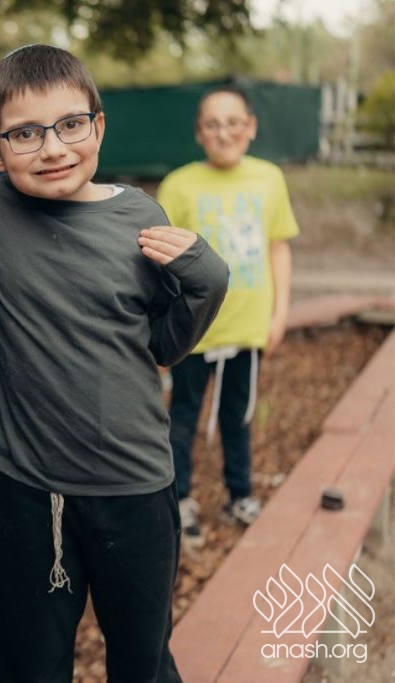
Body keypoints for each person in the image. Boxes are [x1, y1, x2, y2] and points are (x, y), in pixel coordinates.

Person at [0, 45, 229, 681]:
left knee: (143, 662)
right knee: (30, 667)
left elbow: (164, 346)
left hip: (134, 487)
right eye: (26, 134)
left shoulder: (138, 217)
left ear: (99, 126)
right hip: (26, 493)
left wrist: (208, 281)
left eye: (71, 125)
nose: (53, 148)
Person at [157, 85, 299, 546]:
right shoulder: (178, 185)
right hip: (194, 331)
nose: (224, 133)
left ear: (251, 127)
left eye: (234, 123)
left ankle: (240, 493)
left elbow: (278, 247)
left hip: (248, 329)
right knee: (183, 416)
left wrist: (279, 314)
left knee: (239, 416)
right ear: (200, 132)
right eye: (213, 125)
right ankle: (179, 498)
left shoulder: (270, 179)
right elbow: (160, 262)